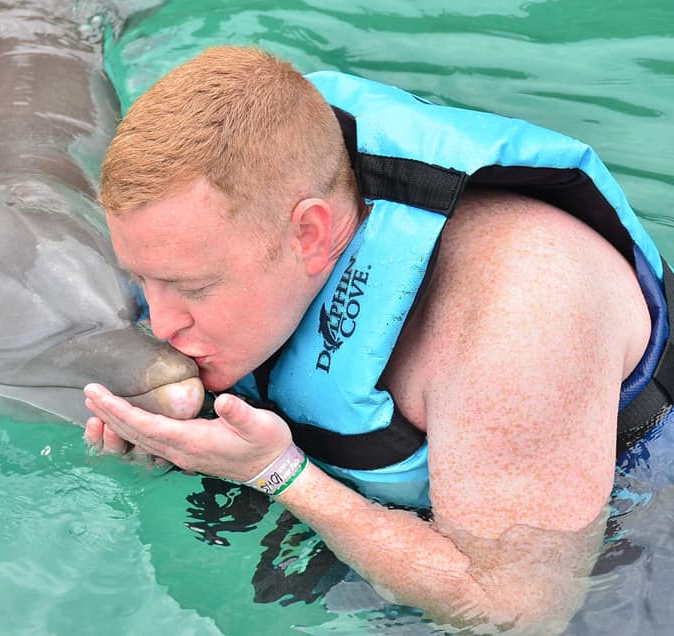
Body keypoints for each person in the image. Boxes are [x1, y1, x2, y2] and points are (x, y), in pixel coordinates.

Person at [82, 46, 673, 631]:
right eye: (142, 279)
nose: (161, 326)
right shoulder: (246, 198)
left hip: (635, 525)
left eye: (195, 288)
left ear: (310, 234)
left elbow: (517, 612)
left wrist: (277, 473)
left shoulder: (520, 310)